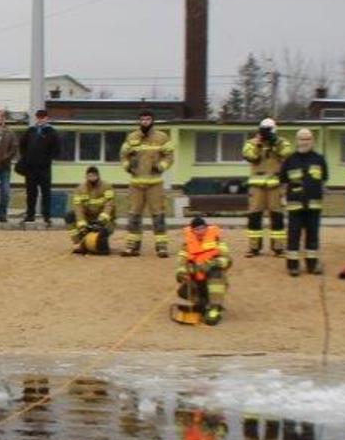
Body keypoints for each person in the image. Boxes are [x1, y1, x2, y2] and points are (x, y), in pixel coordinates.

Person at [119, 108, 175, 257]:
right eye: (142, 119)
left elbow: (169, 156)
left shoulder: (162, 137)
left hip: (154, 183)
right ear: (139, 121)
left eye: (148, 119)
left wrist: (161, 166)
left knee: (158, 215)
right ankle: (132, 246)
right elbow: (123, 155)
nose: (145, 122)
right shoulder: (131, 137)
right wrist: (127, 167)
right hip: (136, 183)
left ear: (152, 121)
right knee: (134, 215)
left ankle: (161, 246)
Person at [240, 117, 292, 258]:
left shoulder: (282, 143)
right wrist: (258, 144)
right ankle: (254, 248)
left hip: (275, 185)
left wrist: (276, 142)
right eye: (264, 130)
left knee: (277, 216)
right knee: (254, 216)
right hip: (257, 186)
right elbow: (250, 156)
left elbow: (287, 154)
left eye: (269, 131)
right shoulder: (251, 143)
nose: (266, 133)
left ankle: (278, 248)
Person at [278, 129, 327, 276]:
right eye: (302, 139)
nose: (305, 142)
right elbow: (283, 181)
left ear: (312, 141)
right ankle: (293, 266)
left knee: (313, 236)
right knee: (294, 236)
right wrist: (282, 198)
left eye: (308, 139)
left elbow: (323, 179)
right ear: (297, 141)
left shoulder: (319, 159)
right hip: (295, 205)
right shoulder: (290, 160)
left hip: (314, 205)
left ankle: (312, 265)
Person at [175, 216, 230, 325]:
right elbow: (182, 261)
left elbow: (227, 260)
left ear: (206, 227)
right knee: (182, 292)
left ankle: (215, 308)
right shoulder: (187, 244)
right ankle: (202, 303)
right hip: (197, 277)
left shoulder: (216, 240)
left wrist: (210, 264)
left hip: (213, 277)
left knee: (216, 274)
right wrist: (182, 273)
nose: (200, 231)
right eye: (197, 229)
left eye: (202, 228)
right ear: (192, 230)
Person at [17, 109, 61, 226]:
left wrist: (48, 159)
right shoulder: (31, 131)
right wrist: (26, 158)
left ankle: (47, 217)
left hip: (44, 169)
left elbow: (57, 149)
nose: (41, 119)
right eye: (39, 117)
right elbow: (22, 145)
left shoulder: (52, 132)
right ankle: (30, 215)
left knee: (46, 193)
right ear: (36, 118)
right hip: (30, 168)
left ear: (47, 118)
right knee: (31, 193)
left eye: (43, 117)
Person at [65, 166, 115, 255]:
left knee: (100, 246)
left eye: (94, 176)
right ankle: (78, 243)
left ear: (98, 176)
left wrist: (101, 221)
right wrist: (82, 224)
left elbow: (109, 205)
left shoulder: (107, 187)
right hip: (87, 219)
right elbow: (78, 208)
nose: (92, 178)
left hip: (104, 221)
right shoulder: (80, 189)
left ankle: (98, 243)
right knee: (69, 215)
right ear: (86, 176)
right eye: (90, 176)